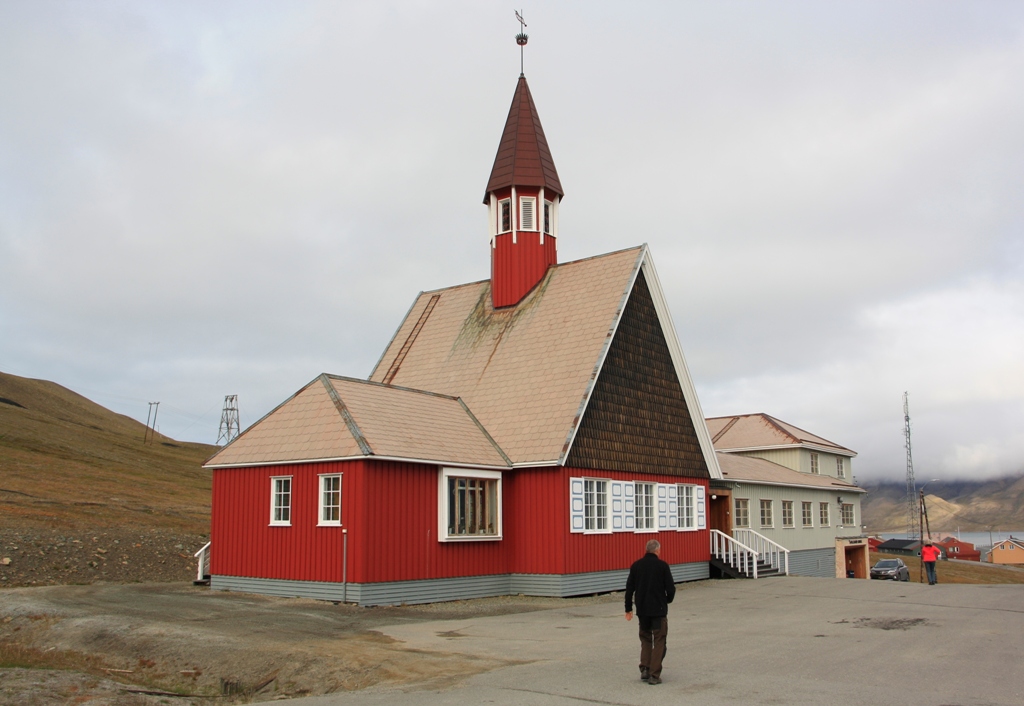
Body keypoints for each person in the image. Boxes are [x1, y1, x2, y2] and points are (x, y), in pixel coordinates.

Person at [624, 539, 676, 685]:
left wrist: (628, 609)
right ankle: (654, 674)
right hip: (658, 610)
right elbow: (671, 589)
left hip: (642, 610)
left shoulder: (636, 566)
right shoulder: (662, 566)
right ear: (658, 551)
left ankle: (645, 669)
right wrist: (666, 600)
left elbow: (629, 589)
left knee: (646, 638)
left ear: (646, 550)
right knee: (659, 640)